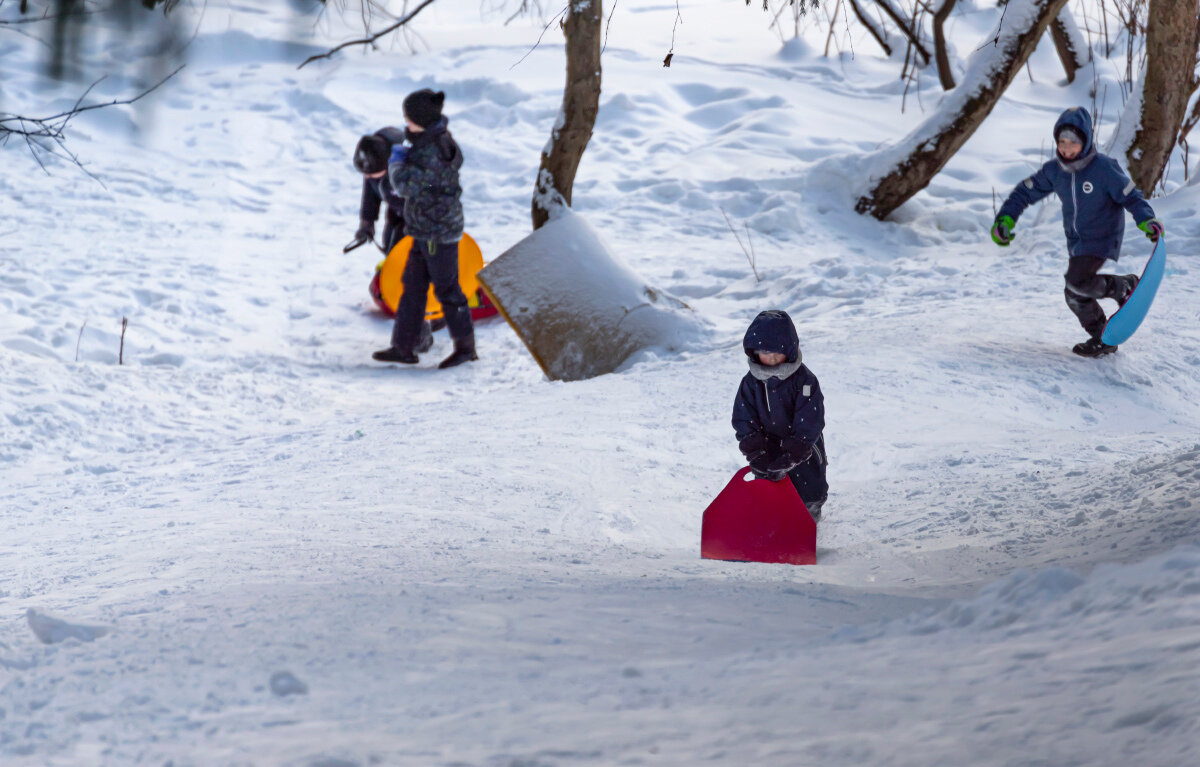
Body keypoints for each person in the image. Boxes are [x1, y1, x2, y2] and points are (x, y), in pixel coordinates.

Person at [991, 106, 1163, 358]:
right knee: (1074, 293)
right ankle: (1103, 336)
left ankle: (1124, 286)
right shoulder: (1055, 171)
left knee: (1077, 281)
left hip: (1103, 238)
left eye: (1073, 141)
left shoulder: (1104, 168)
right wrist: (1005, 219)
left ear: (1085, 141)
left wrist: (1146, 220)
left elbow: (1131, 197)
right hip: (1078, 243)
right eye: (1062, 141)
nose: (1066, 147)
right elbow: (1024, 192)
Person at [372, 89, 476, 369]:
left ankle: (466, 348)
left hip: (436, 233)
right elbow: (430, 184)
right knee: (413, 287)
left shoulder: (433, 149)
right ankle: (404, 347)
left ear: (420, 118)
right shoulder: (429, 142)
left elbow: (405, 186)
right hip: (424, 228)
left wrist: (396, 163)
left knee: (447, 289)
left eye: (408, 117)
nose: (405, 122)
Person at [732, 310, 828, 522]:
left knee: (810, 491)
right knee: (769, 491)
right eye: (764, 352)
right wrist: (756, 453)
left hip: (803, 448)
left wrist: (794, 453)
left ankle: (809, 521)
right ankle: (773, 528)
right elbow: (744, 419)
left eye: (777, 352)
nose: (771, 358)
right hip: (768, 446)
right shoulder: (750, 383)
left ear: (790, 350)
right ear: (753, 352)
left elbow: (811, 421)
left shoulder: (805, 381)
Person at [350, 127, 433, 353]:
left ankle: (421, 331)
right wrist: (367, 223)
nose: (368, 179)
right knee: (394, 260)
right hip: (397, 216)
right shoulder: (374, 162)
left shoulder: (413, 165)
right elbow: (371, 192)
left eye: (373, 175)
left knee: (413, 274)